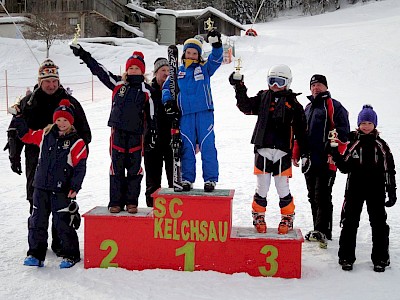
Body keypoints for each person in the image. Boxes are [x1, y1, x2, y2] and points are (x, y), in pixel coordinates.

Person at [4, 59, 91, 256]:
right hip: (36, 158)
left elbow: (86, 133)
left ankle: (60, 241)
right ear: (40, 81)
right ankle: (37, 241)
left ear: (59, 81)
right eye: (47, 81)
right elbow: (14, 129)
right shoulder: (29, 102)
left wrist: (79, 155)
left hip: (64, 161)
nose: (51, 85)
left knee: (60, 201)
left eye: (54, 81)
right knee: (35, 199)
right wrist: (14, 155)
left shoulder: (71, 103)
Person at [70, 44, 157, 213]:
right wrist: (83, 55)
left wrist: (152, 133)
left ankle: (132, 202)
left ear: (142, 71)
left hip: (136, 136)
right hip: (117, 134)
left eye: (136, 68)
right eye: (130, 67)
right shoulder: (118, 84)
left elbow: (152, 114)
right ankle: (115, 202)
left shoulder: (147, 90)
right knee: (116, 168)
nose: (133, 71)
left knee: (134, 169)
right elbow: (99, 71)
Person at [229, 64, 308, 234]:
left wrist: (303, 153)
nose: (275, 86)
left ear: (287, 83)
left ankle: (287, 217)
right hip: (263, 148)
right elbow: (246, 107)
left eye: (280, 82)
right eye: (272, 81)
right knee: (262, 186)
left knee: (282, 187)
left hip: (283, 151)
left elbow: (302, 131)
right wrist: (239, 87)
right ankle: (258, 215)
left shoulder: (294, 104)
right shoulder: (263, 97)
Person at [10, 99, 88, 268]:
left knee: (63, 223)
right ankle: (36, 255)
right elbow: (26, 135)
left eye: (65, 120)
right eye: (58, 120)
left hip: (62, 190)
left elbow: (80, 167)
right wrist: (18, 117)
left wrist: (75, 187)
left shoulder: (77, 142)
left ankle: (70, 255)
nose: (61, 123)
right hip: (41, 187)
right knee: (37, 221)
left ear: (71, 121)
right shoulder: (45, 135)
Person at [328, 105, 396, 272]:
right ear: (358, 124)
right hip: (354, 189)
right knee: (350, 222)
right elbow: (344, 167)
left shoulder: (381, 145)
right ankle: (346, 257)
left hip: (376, 190)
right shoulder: (354, 143)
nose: (366, 126)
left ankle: (381, 258)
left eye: (369, 123)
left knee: (379, 224)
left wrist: (391, 191)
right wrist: (335, 153)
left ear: (375, 125)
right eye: (363, 123)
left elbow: (389, 169)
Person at [162, 31, 223, 192]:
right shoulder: (178, 71)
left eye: (194, 53)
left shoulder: (204, 69)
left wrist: (216, 45)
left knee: (207, 145)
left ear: (198, 55)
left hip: (204, 113)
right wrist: (168, 101)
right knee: (187, 147)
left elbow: (216, 60)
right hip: (186, 115)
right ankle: (187, 178)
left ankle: (210, 179)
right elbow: (166, 87)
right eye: (188, 52)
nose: (191, 55)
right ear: (184, 53)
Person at [293, 74, 350, 247]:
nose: (316, 88)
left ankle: (323, 231)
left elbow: (344, 133)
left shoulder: (335, 106)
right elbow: (300, 133)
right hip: (309, 160)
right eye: (313, 85)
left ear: (325, 87)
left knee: (322, 195)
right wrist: (296, 153)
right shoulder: (308, 107)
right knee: (312, 196)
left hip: (327, 160)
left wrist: (336, 153)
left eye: (319, 84)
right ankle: (318, 230)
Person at [144, 58, 174, 207]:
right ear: (156, 73)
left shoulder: (176, 91)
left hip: (171, 140)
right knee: (152, 182)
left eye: (169, 71)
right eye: (163, 70)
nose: (166, 74)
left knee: (174, 181)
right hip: (152, 141)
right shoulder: (148, 92)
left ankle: (173, 213)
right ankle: (152, 211)